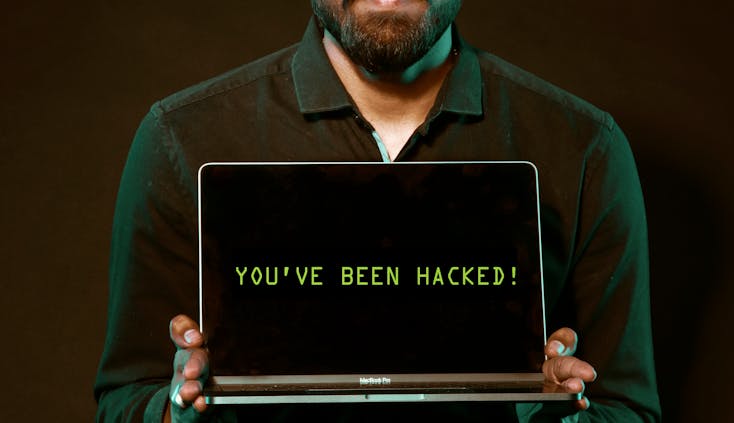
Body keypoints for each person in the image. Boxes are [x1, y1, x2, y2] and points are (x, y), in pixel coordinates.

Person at [95, 1, 661, 422]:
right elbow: (126, 398)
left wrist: (549, 411)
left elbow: (626, 408)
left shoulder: (584, 146)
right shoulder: (182, 137)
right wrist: (179, 408)